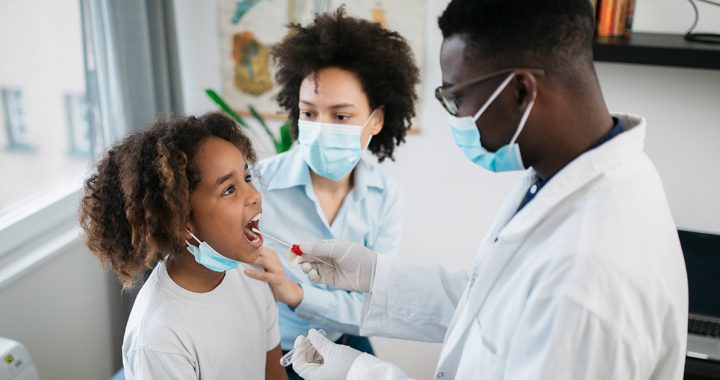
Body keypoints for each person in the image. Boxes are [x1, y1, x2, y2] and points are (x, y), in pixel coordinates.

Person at [286, 0, 689, 379]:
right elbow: (489, 304)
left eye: (457, 97)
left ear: (521, 91)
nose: (456, 117)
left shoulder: (586, 280)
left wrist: (359, 373)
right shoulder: (568, 175)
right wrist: (373, 275)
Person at [242, 8, 419, 379]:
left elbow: (373, 306)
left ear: (377, 119)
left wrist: (296, 294)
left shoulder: (383, 197)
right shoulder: (258, 186)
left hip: (346, 342)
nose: (322, 128)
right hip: (272, 349)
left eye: (341, 117)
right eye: (309, 113)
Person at [79, 112, 287, 379]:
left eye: (246, 179)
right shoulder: (159, 336)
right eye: (229, 190)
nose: (254, 197)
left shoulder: (253, 275)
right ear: (181, 222)